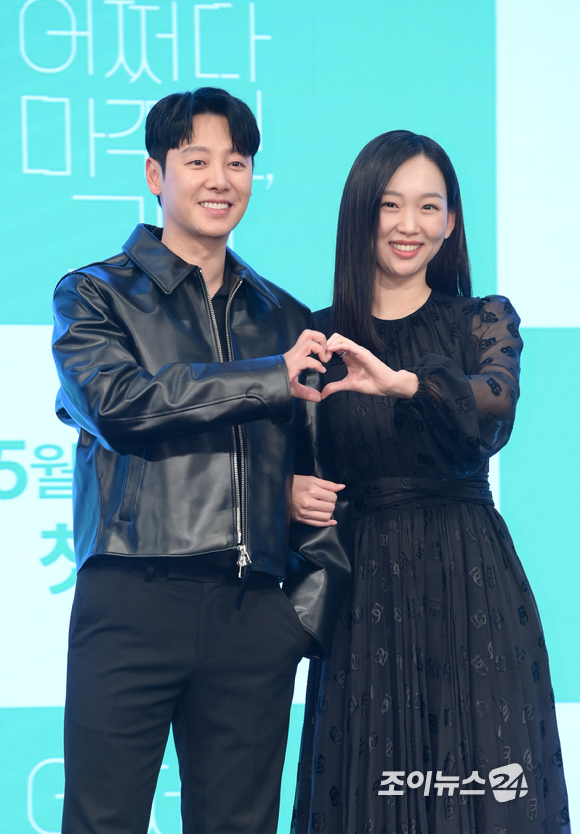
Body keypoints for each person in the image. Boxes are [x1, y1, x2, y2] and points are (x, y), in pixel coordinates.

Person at [51, 87, 350, 834]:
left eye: (237, 162)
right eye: (197, 161)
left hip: (253, 613)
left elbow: (322, 478)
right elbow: (122, 407)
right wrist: (267, 377)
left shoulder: (285, 317)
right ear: (156, 174)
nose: (220, 179)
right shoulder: (94, 295)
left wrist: (299, 620)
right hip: (133, 595)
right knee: (103, 821)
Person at [290, 130, 570, 833]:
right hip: (364, 593)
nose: (408, 225)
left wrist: (407, 384)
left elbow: (495, 412)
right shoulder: (315, 339)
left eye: (428, 206)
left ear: (450, 222)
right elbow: (287, 459)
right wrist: (288, 493)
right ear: (362, 214)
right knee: (372, 795)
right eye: (391, 204)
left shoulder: (482, 320)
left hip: (470, 581)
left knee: (483, 790)